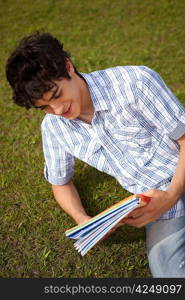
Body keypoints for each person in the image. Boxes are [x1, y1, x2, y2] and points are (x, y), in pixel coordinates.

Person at [6, 32, 185, 278]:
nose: (57, 110)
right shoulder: (54, 129)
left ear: (68, 68)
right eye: (44, 107)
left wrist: (172, 195)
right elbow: (60, 183)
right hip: (156, 202)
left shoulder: (136, 83)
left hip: (177, 177)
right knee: (167, 274)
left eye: (56, 95)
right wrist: (82, 219)